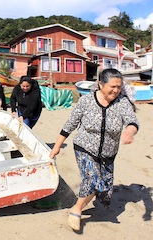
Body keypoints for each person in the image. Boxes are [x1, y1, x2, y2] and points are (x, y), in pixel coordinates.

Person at [49, 68, 139, 231]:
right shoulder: (86, 101)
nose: (116, 90)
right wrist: (56, 147)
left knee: (104, 191)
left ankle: (83, 199)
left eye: (119, 87)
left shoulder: (122, 103)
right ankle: (76, 211)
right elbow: (70, 125)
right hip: (85, 147)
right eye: (112, 86)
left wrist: (129, 131)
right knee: (93, 180)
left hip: (108, 153)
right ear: (100, 84)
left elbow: (132, 121)